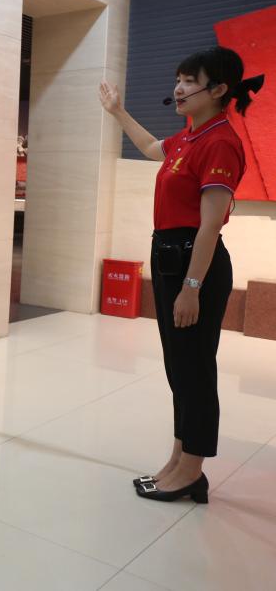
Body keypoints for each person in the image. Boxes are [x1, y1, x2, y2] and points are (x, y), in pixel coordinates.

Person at [99, 47, 263, 503]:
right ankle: (179, 459)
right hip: (172, 259)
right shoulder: (189, 137)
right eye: (178, 79)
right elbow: (152, 148)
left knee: (194, 370)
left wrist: (191, 288)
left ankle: (191, 471)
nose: (178, 88)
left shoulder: (220, 142)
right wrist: (117, 112)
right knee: (180, 369)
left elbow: (210, 226)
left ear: (219, 89)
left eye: (190, 81)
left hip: (195, 266)